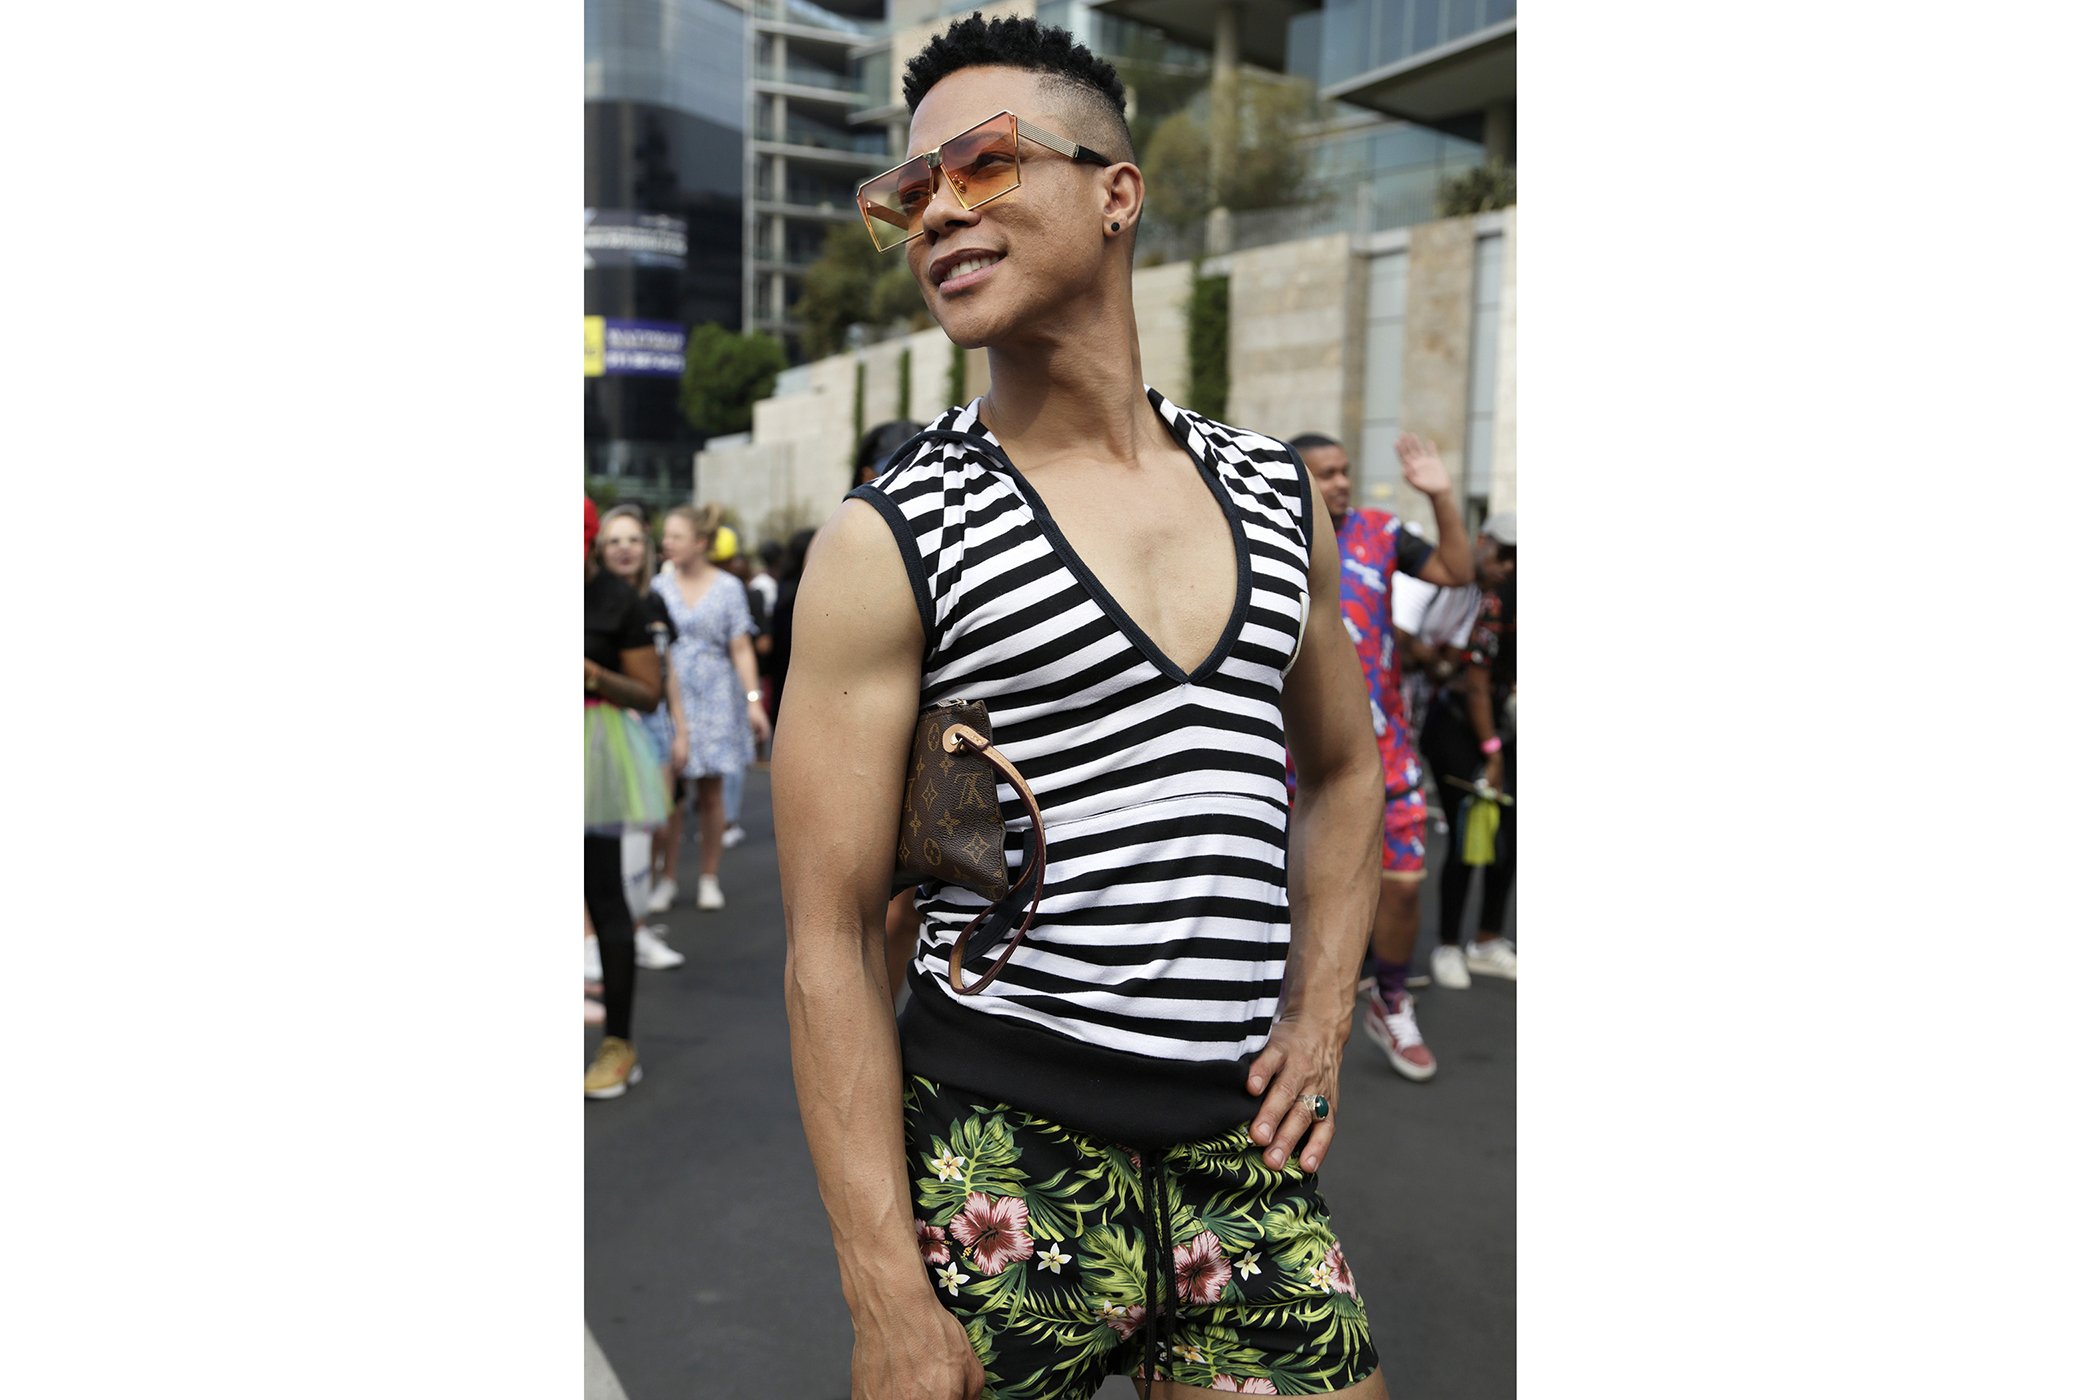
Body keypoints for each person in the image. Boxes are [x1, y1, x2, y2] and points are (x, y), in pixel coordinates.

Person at [775, 16, 1391, 1398]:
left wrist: (1324, 1004)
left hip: (1243, 1152)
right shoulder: (893, 538)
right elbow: (825, 935)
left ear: (1118, 190)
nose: (936, 209)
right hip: (996, 1158)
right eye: (907, 193)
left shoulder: (1274, 495)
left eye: (981, 165)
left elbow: (1348, 774)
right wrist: (884, 1295)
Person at [1287, 431, 1472, 1084]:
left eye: (1344, 472)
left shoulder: (1380, 531)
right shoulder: (1266, 534)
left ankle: (1390, 1001)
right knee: (1293, 905)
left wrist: (1442, 495)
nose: (1340, 483)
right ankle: (1283, 1020)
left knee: (1400, 894)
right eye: (1324, 474)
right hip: (1294, 763)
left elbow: (1457, 571)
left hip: (1387, 753)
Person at [582, 497, 668, 1098]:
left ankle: (618, 1042)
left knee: (603, 891)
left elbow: (648, 694)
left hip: (591, 753)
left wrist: (590, 674)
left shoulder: (619, 601)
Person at [1416, 514, 1517, 989]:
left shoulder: (1508, 592)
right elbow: (1465, 679)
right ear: (1483, 543)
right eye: (1504, 553)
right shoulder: (1461, 585)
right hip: (1458, 726)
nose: (1510, 565)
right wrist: (1492, 751)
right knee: (1465, 835)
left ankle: (1487, 938)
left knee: (1508, 840)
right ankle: (1450, 945)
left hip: (1499, 725)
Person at [655, 504, 771, 912]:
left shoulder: (727, 588)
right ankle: (664, 877)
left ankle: (708, 876)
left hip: (717, 696)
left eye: (675, 537)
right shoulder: (658, 586)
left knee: (711, 792)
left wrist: (753, 701)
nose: (666, 543)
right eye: (666, 537)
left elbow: (740, 647)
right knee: (669, 794)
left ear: (700, 543)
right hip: (670, 695)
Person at [595, 506, 690, 964]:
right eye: (614, 540)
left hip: (654, 726)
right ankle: (596, 935)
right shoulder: (592, 600)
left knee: (652, 828)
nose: (625, 548)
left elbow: (666, 671)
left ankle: (634, 928)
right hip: (608, 731)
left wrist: (680, 728)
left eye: (633, 539)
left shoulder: (654, 602)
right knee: (601, 838)